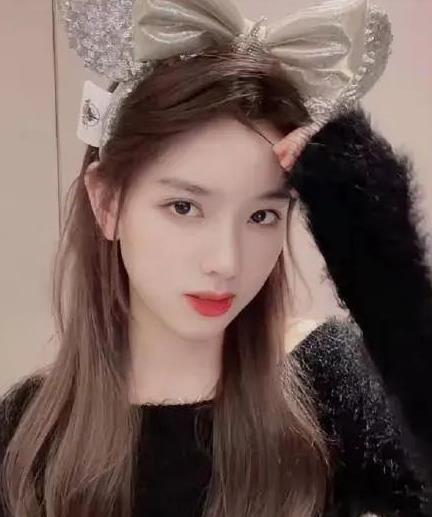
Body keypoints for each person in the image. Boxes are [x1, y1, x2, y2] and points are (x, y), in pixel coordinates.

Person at [1, 1, 432, 516]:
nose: (227, 262)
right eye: (184, 207)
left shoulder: (329, 384)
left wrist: (389, 284)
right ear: (107, 202)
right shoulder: (26, 436)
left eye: (262, 216)